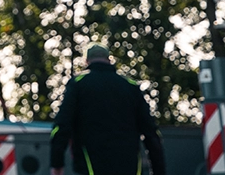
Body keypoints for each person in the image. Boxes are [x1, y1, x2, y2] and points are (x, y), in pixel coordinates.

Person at [50, 44, 165, 175]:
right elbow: (151, 134)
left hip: (91, 166)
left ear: (86, 61)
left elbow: (61, 127)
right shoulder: (130, 86)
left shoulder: (78, 84)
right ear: (109, 60)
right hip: (128, 166)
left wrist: (57, 164)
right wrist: (159, 171)